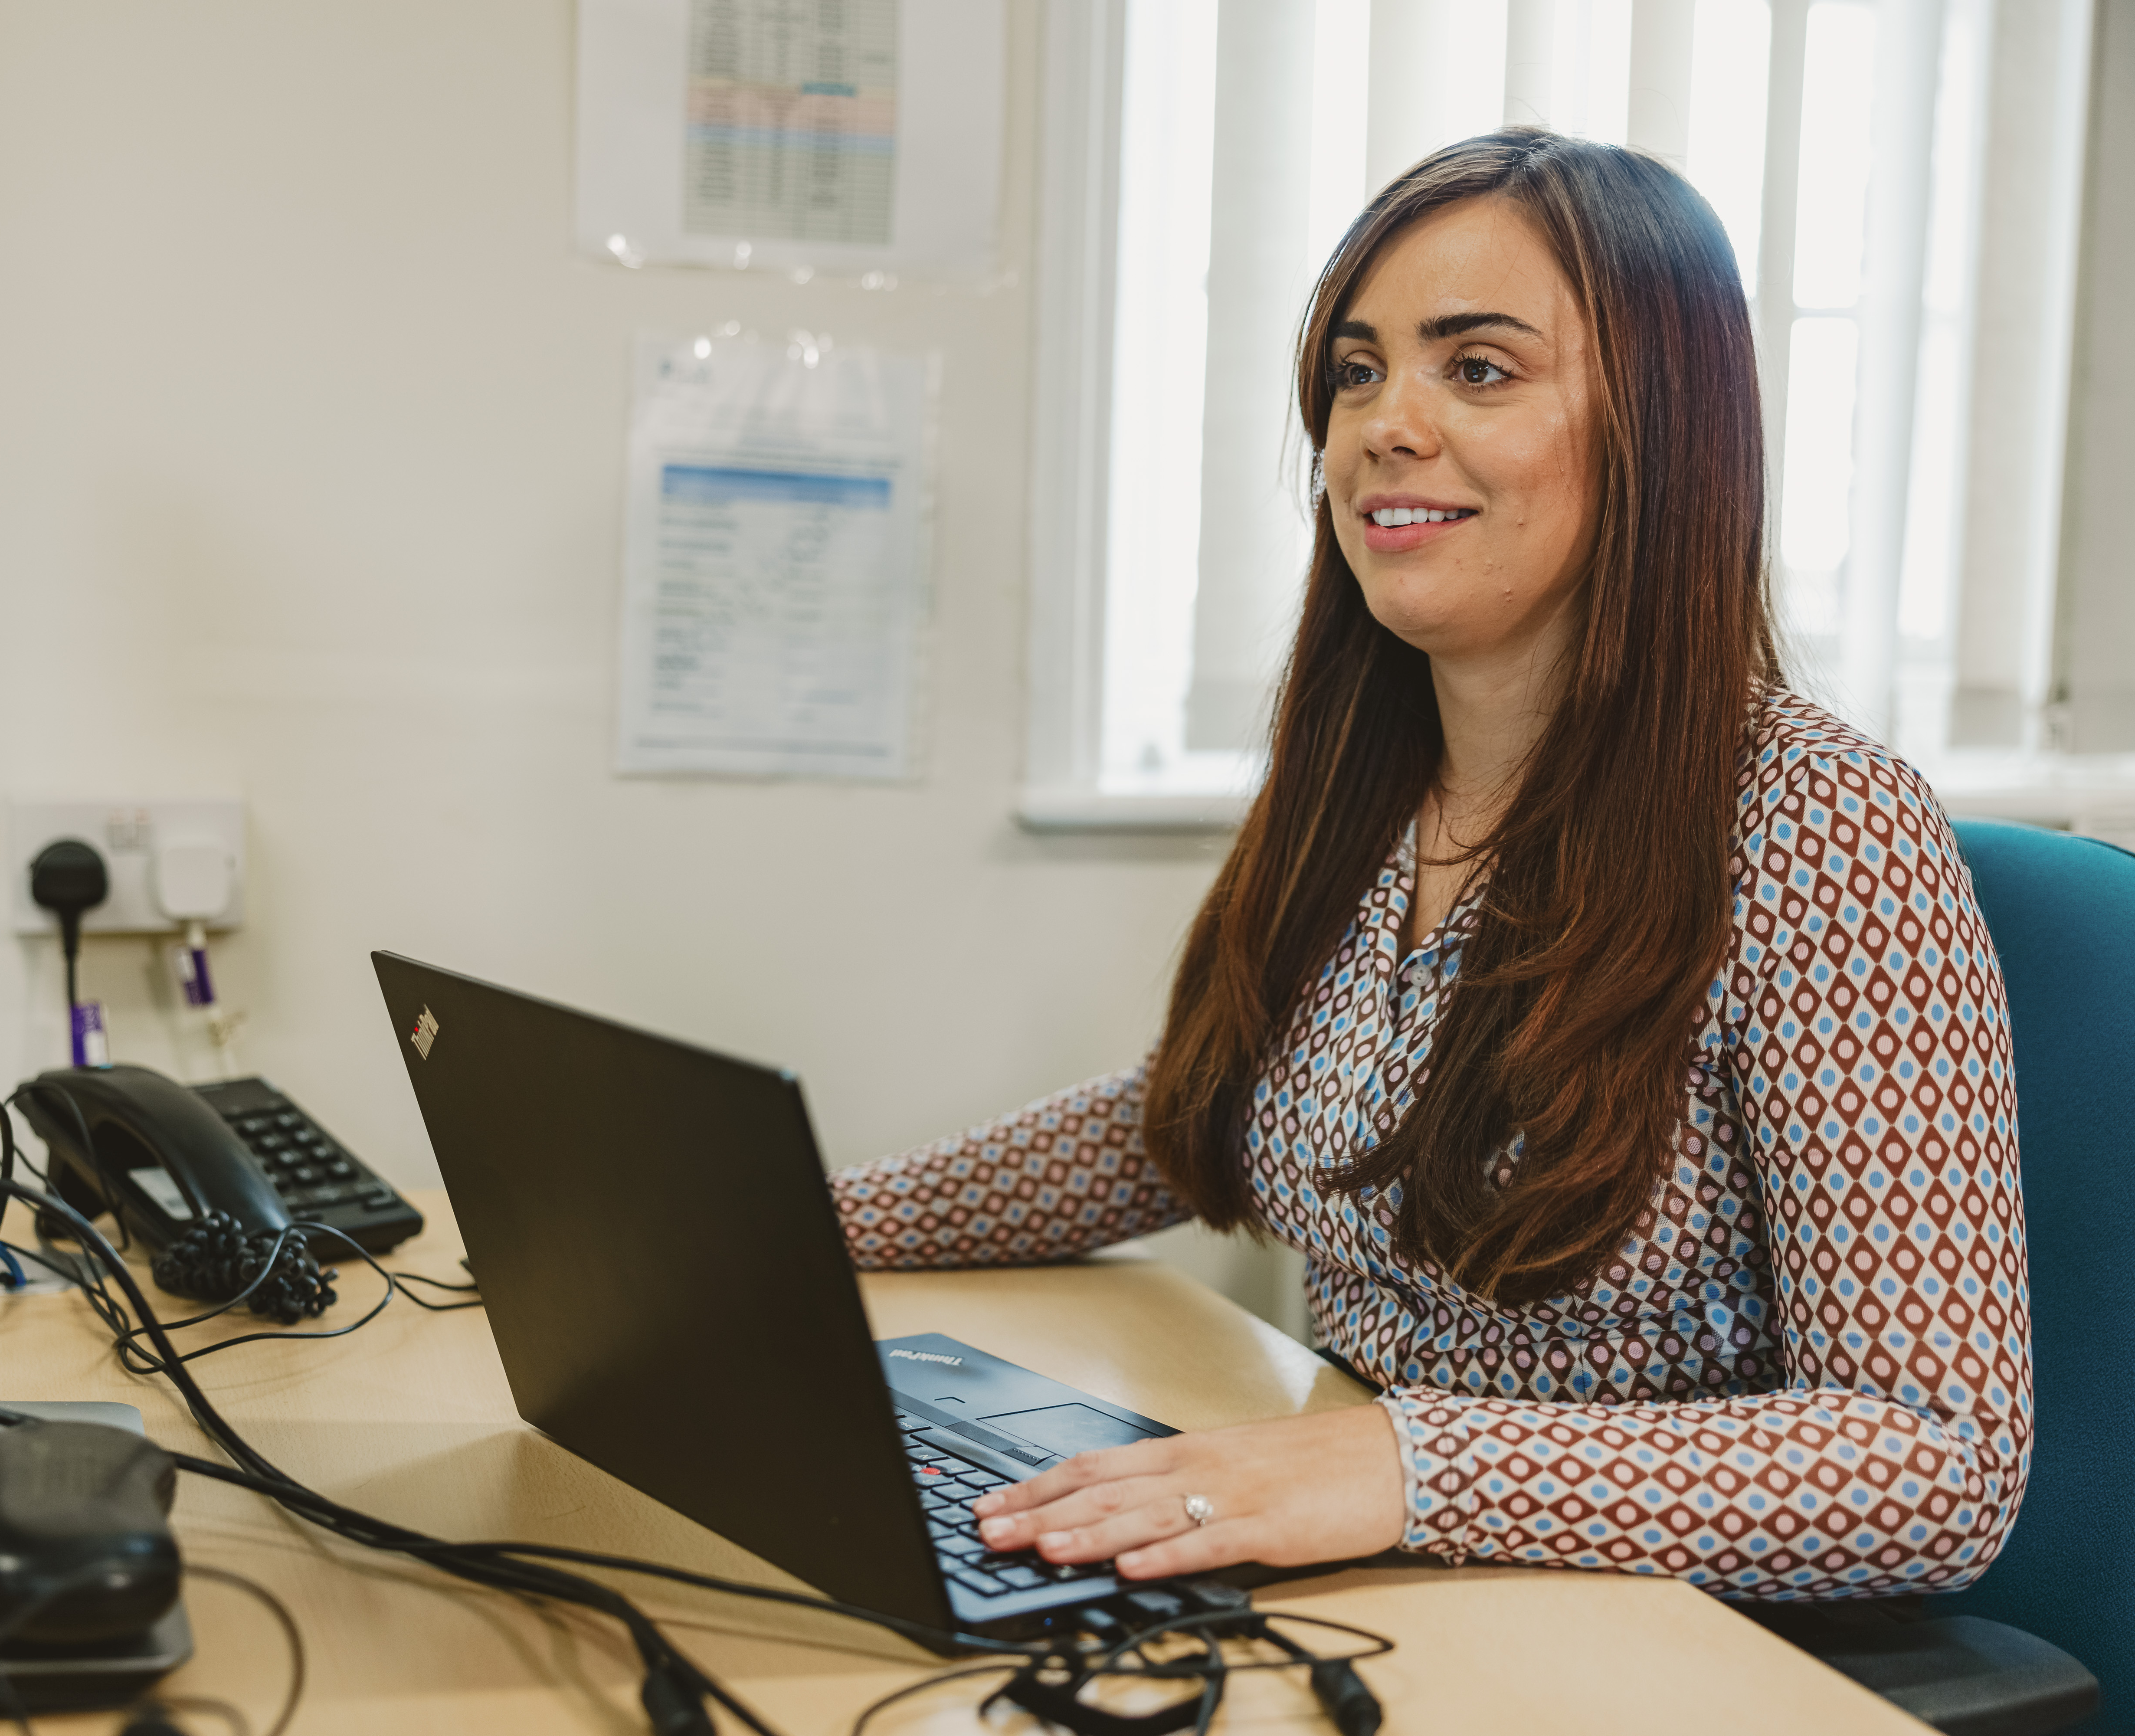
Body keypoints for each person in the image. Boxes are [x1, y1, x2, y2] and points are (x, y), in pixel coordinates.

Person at [832, 129, 2029, 1601]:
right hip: (1372, 1573)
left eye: (1478, 368)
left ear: (1662, 427)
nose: (1384, 426)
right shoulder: (1371, 779)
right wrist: (800, 1231)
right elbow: (1198, 1117)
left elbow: (1933, 1461)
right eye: (1355, 370)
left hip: (1641, 1640)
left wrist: (1411, 1462)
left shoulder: (1826, 829)